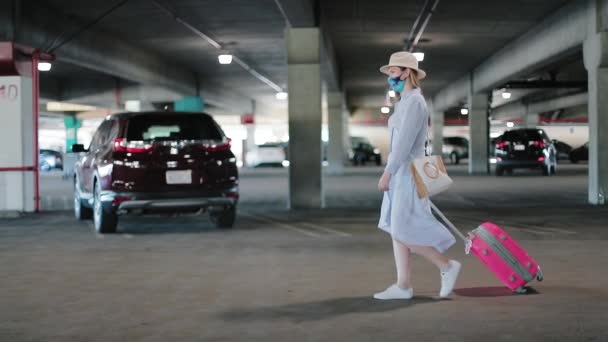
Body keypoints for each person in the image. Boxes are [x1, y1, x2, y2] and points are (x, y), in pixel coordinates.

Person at [374, 51, 461, 300]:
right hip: (401, 172)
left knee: (402, 229)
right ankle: (403, 286)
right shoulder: (405, 102)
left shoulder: (415, 102)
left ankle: (446, 266)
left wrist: (387, 174)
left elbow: (402, 144)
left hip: (407, 174)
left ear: (406, 72)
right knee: (396, 227)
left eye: (392, 72)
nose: (389, 77)